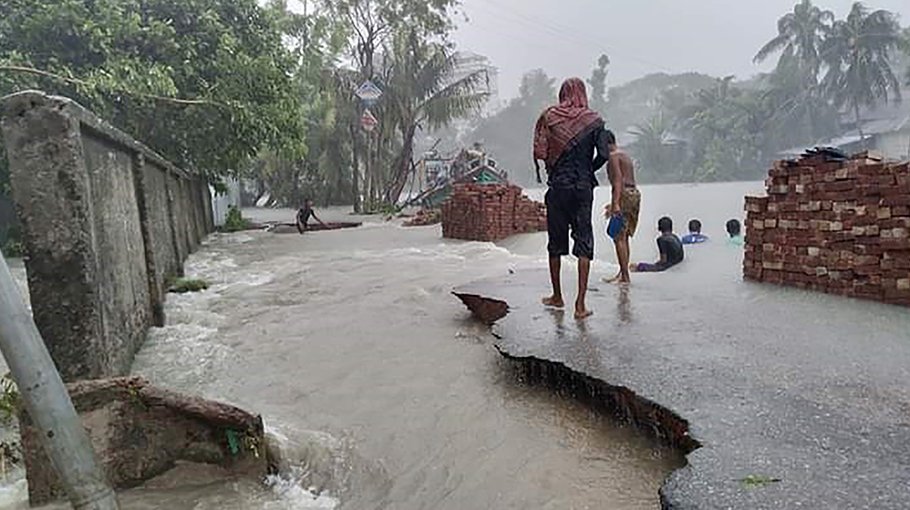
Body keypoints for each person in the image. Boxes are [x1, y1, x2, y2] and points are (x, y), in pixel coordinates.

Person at [533, 77, 610, 319]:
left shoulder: (550, 117)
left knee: (555, 244)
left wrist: (556, 167)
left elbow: (542, 152)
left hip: (558, 188)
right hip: (583, 188)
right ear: (583, 94)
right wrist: (588, 168)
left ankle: (557, 296)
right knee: (584, 243)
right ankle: (580, 305)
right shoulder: (595, 121)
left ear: (563, 93)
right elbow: (605, 154)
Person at [602, 129, 640, 284]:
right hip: (634, 194)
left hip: (624, 194)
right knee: (624, 237)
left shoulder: (612, 157)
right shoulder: (624, 155)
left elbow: (617, 181)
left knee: (618, 237)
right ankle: (622, 273)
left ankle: (625, 276)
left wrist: (615, 203)